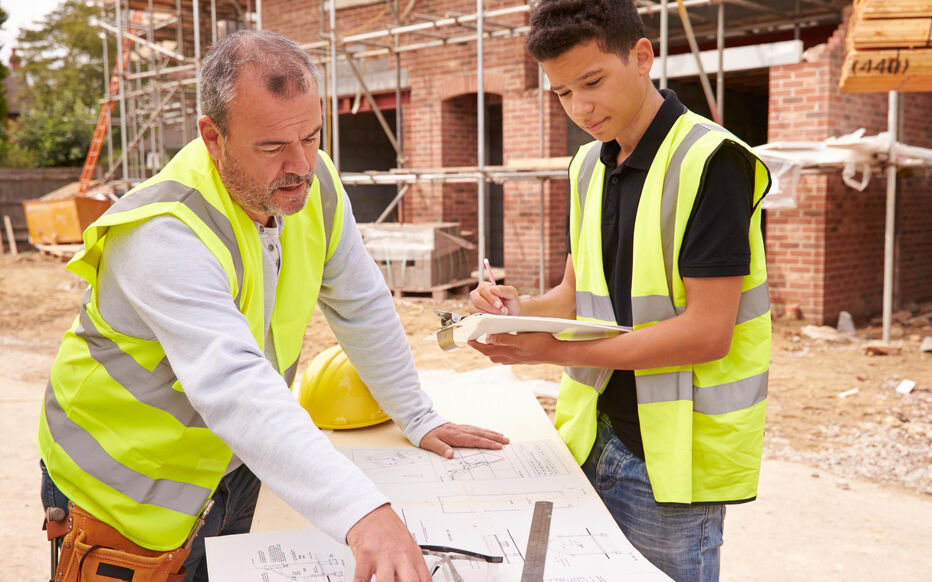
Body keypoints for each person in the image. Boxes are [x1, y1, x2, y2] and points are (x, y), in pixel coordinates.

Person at [39, 29, 508, 582]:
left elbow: (362, 305)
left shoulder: (315, 185)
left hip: (234, 470)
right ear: (213, 138)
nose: (300, 165)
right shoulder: (162, 233)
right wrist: (362, 513)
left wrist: (418, 415)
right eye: (271, 147)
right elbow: (236, 386)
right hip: (122, 494)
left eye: (311, 137)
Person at [468, 1, 771, 581]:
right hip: (590, 436)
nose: (581, 108)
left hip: (671, 460)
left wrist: (551, 351)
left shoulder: (714, 162)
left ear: (641, 56)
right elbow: (576, 295)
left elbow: (706, 334)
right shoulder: (587, 166)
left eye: (593, 82)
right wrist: (518, 310)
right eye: (562, 94)